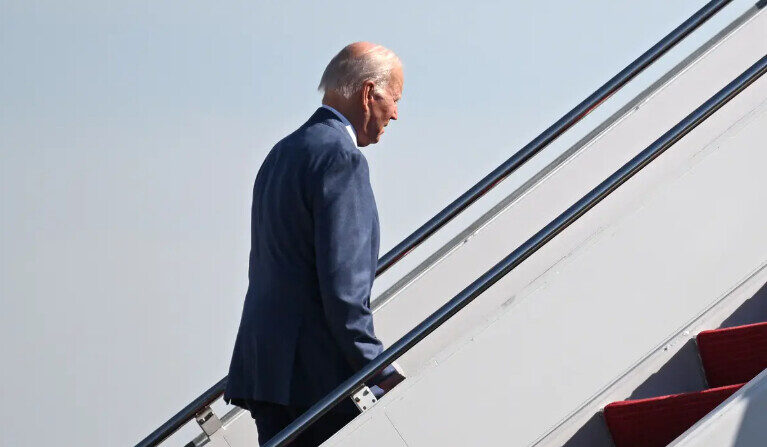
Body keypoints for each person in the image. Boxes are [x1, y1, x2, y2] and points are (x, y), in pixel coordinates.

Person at [224, 42, 405, 446]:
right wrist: (379, 369)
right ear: (367, 93)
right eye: (394, 99)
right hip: (314, 378)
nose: (395, 113)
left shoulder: (281, 152)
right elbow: (344, 290)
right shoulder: (342, 159)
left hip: (265, 370)